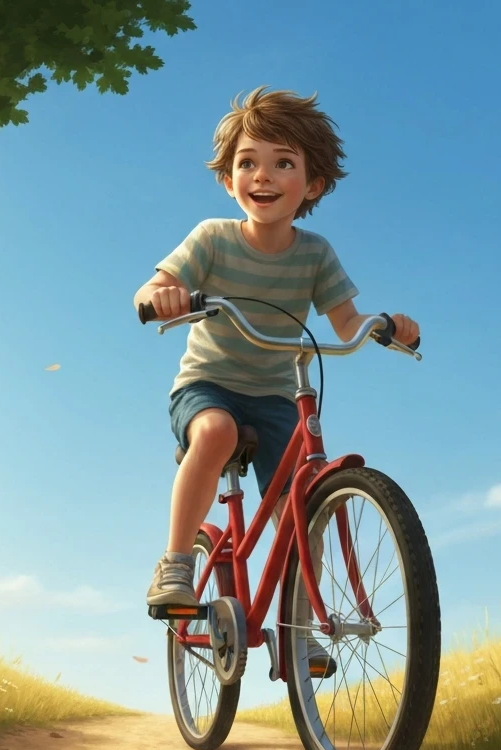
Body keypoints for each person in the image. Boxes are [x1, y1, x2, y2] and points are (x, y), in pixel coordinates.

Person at [136, 86, 420, 608]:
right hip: (207, 387)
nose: (262, 175)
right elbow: (148, 292)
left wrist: (386, 325)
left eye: (282, 162)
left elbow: (346, 321)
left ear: (313, 185)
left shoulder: (315, 254)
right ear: (228, 181)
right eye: (248, 163)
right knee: (217, 431)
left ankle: (302, 623)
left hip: (275, 396)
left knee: (300, 498)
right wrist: (164, 297)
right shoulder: (213, 238)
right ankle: (176, 561)